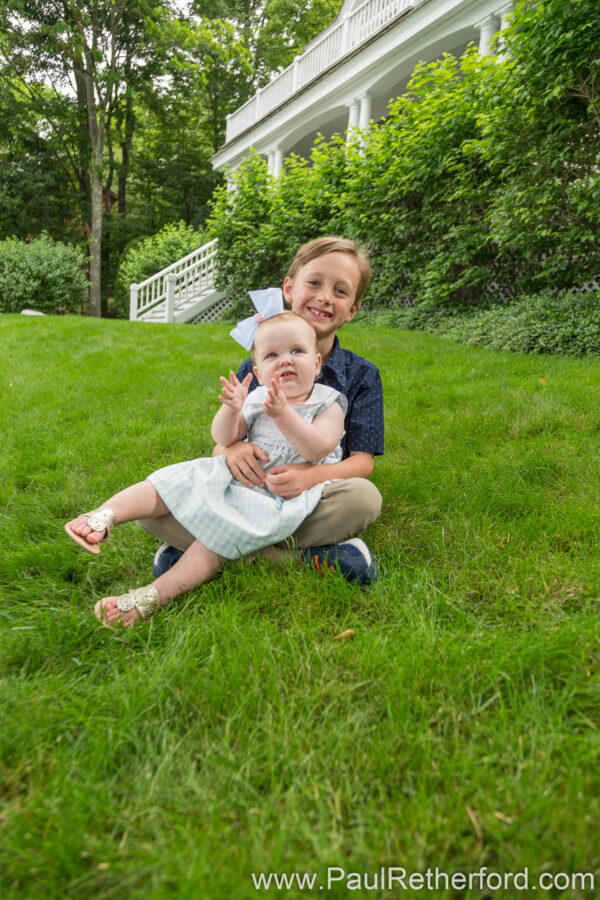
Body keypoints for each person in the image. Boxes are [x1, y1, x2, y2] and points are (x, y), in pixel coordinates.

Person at [65, 310, 347, 627]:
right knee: (176, 478)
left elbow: (318, 446)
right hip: (238, 480)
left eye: (297, 351)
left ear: (318, 363)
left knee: (216, 542)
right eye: (272, 355)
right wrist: (231, 409)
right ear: (257, 370)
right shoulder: (256, 398)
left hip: (275, 499)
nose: (285, 360)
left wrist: (283, 413)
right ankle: (103, 516)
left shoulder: (329, 402)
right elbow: (223, 437)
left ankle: (151, 597)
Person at [141, 235, 384, 584]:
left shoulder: (362, 375)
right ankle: (302, 559)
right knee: (151, 509)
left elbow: (363, 462)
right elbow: (223, 441)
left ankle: (207, 547)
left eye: (341, 291)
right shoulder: (257, 365)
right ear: (289, 288)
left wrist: (308, 477)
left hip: (311, 497)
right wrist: (232, 448)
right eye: (314, 283)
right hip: (249, 492)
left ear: (353, 309)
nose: (325, 297)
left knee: (364, 499)